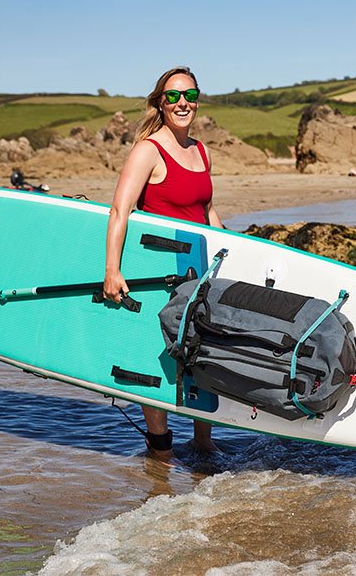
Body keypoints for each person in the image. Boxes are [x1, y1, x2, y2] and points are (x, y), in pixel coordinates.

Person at [104, 65, 221, 457]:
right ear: (161, 102)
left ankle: (205, 446)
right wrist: (112, 269)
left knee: (202, 357)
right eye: (173, 96)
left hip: (199, 271)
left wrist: (233, 252)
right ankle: (160, 451)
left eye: (189, 95)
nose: (182, 102)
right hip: (159, 272)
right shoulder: (147, 151)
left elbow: (207, 211)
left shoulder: (201, 151)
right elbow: (120, 211)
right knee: (156, 360)